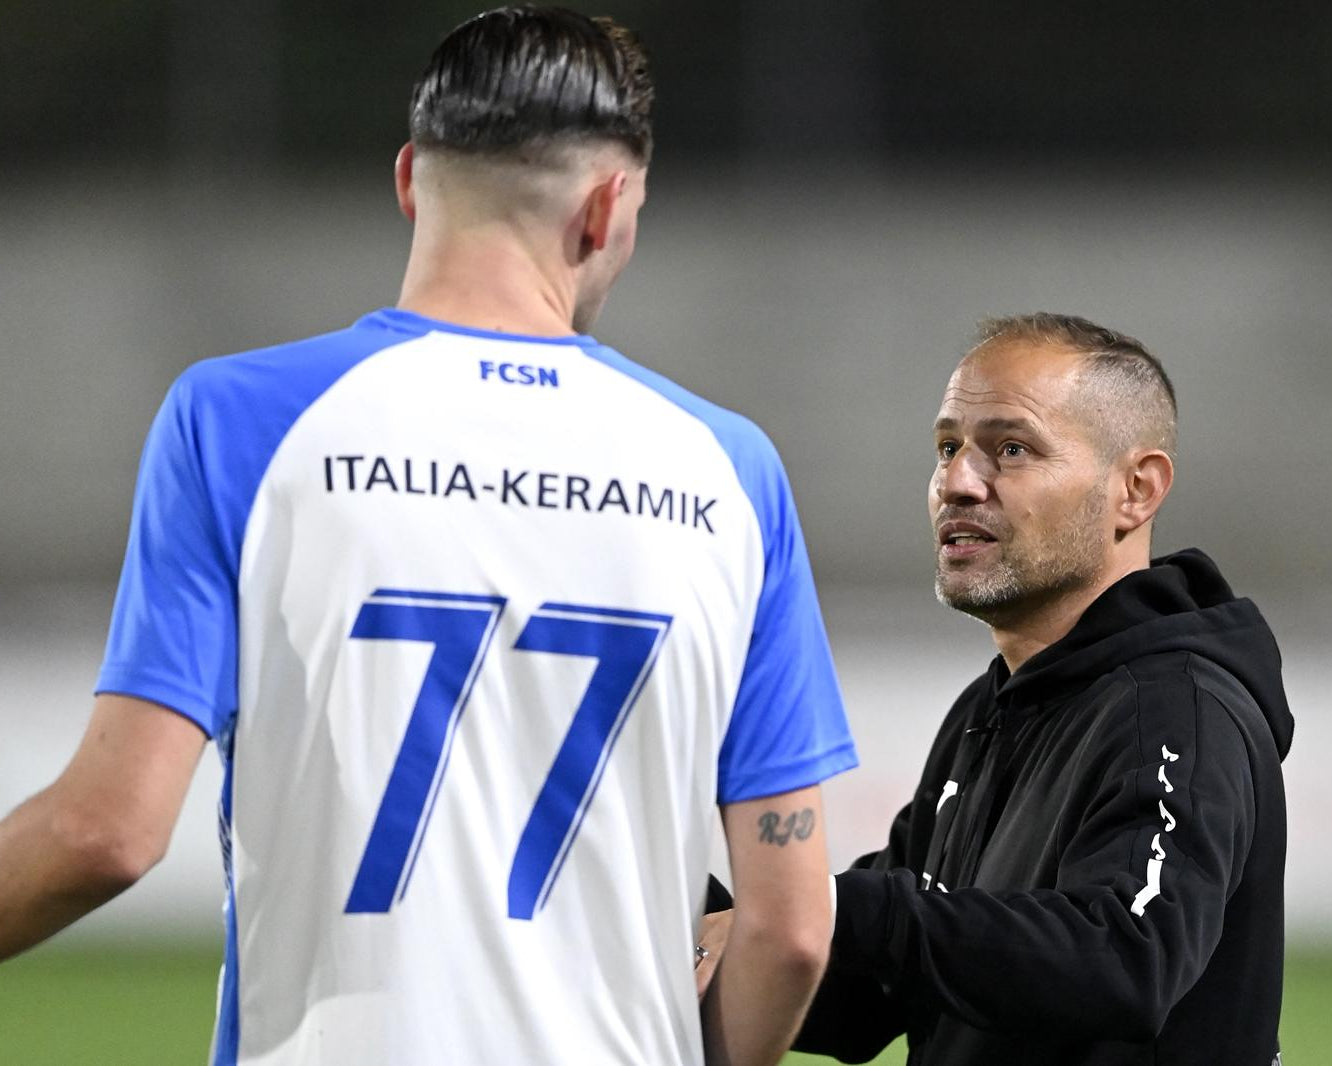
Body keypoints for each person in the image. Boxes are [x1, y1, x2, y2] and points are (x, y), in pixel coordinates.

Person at [0, 8, 856, 1065]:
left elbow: (106, 833)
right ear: (605, 208)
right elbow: (790, 930)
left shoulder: (240, 422)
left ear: (409, 179)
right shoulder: (731, 472)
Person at [701, 313, 1292, 1065]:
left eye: (1010, 450)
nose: (956, 482)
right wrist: (679, 907)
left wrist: (838, 909)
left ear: (1135, 491)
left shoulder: (1176, 707)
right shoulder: (991, 708)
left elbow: (1124, 961)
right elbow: (866, 993)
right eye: (947, 448)